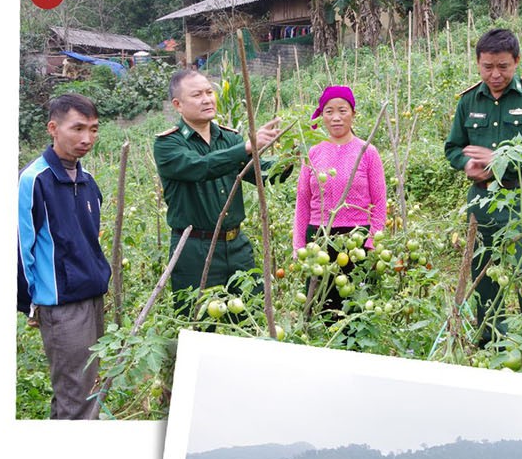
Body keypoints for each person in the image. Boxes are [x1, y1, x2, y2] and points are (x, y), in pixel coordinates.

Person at [444, 29, 522, 346]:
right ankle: (489, 342)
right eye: (487, 67)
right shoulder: (469, 100)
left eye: (503, 67)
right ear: (478, 64)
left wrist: (500, 160)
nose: (495, 75)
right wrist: (467, 165)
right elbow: (453, 147)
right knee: (483, 279)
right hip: (481, 204)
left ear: (517, 62)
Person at [17, 93, 112, 420]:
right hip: (62, 306)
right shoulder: (34, 181)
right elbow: (20, 247)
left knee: (86, 392)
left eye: (94, 129)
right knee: (79, 401)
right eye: (78, 128)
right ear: (53, 128)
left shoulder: (87, 182)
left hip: (93, 298)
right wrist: (30, 303)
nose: (87, 138)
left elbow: (91, 241)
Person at [153, 68, 285, 295]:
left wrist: (290, 158)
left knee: (249, 313)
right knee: (199, 320)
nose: (206, 100)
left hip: (236, 246)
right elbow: (200, 167)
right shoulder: (168, 144)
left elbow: (260, 174)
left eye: (209, 92)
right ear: (177, 105)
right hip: (194, 249)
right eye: (196, 95)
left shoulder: (229, 137)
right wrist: (244, 148)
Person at [294, 85, 387, 310]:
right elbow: (303, 201)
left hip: (356, 239)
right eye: (329, 111)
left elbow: (380, 201)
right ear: (322, 115)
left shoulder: (367, 151)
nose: (336, 118)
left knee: (354, 306)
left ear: (353, 114)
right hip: (319, 237)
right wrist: (299, 244)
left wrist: (371, 241)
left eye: (342, 111)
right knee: (319, 304)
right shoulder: (313, 152)